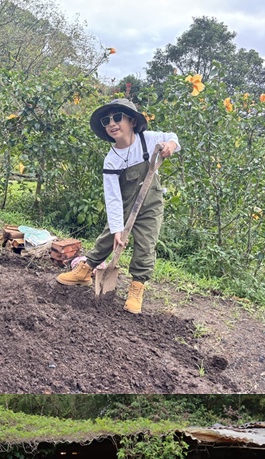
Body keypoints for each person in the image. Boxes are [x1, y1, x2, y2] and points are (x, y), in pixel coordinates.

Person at [55, 98, 180, 314]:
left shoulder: (147, 140)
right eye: (106, 120)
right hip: (124, 203)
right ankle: (85, 271)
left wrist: (170, 146)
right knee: (109, 238)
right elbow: (112, 197)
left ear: (131, 121)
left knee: (145, 244)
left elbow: (172, 137)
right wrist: (116, 228)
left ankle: (136, 287)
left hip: (150, 204)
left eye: (117, 118)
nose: (112, 123)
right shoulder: (111, 159)